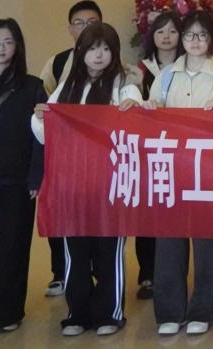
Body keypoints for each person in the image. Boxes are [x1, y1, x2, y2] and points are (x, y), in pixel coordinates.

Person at [32, 22, 142, 337]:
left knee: (108, 250)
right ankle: (77, 313)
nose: (99, 55)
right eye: (93, 48)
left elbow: (137, 130)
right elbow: (45, 135)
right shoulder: (67, 86)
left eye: (106, 48)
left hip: (110, 184)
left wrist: (134, 110)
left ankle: (110, 313)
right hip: (71, 185)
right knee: (75, 252)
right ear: (81, 51)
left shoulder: (124, 86)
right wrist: (39, 117)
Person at [143, 10, 213, 336]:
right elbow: (152, 109)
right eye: (190, 35)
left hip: (209, 171)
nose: (196, 41)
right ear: (182, 39)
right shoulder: (167, 75)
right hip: (172, 168)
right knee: (169, 241)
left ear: (211, 39)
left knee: (207, 243)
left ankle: (203, 310)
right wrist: (151, 108)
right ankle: (169, 311)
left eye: (202, 35)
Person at [0, 19, 46, 334]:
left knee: (14, 247)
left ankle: (6, 312)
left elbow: (41, 137)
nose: (1, 48)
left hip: (17, 180)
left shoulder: (31, 86)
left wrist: (36, 176)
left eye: (8, 42)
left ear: (17, 47)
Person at [36, 0, 103, 297]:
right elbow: (44, 100)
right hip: (64, 155)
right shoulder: (57, 63)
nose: (85, 28)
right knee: (63, 216)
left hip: (99, 158)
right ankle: (60, 272)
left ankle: (96, 272)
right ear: (70, 29)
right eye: (79, 23)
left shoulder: (113, 64)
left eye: (92, 23)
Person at [133, 11, 185, 301]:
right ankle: (148, 274)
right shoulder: (139, 70)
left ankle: (176, 274)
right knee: (148, 213)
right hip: (148, 151)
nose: (166, 37)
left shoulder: (189, 65)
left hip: (182, 152)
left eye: (172, 31)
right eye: (160, 31)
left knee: (177, 215)